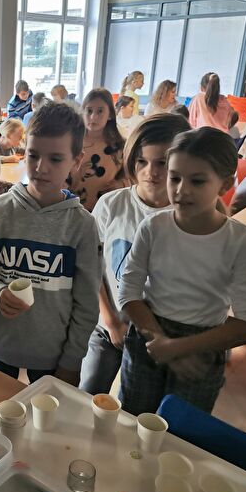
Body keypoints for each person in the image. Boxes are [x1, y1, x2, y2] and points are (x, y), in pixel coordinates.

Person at [118, 127, 246, 415]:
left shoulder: (241, 240)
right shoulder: (153, 227)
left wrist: (179, 348)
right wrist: (161, 342)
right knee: (133, 420)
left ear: (224, 184)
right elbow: (129, 291)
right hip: (149, 335)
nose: (181, 190)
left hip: (204, 345)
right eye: (175, 178)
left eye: (197, 181)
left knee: (182, 432)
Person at [0, 102, 100, 386]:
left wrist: (72, 360)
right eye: (33, 155)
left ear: (76, 160)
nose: (41, 168)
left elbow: (87, 303)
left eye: (56, 159)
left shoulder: (83, 226)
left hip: (53, 356)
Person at [79, 114, 192, 396]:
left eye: (162, 163)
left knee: (137, 406)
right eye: (142, 161)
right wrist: (110, 321)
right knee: (87, 393)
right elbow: (92, 262)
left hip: (156, 336)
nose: (150, 173)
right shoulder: (112, 204)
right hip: (108, 325)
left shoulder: (191, 215)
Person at [68, 88, 127, 212]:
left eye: (100, 111)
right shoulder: (70, 142)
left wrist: (119, 184)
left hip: (104, 211)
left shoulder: (120, 146)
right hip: (70, 209)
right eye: (89, 111)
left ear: (110, 114)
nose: (93, 117)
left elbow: (132, 176)